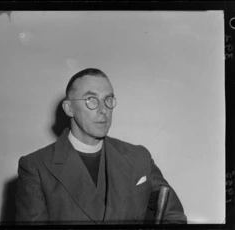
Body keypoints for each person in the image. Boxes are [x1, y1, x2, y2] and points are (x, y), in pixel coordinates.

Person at [15, 68, 187, 224]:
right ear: (69, 109)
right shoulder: (36, 167)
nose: (103, 109)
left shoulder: (138, 157)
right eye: (91, 100)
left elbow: (174, 217)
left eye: (108, 99)